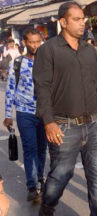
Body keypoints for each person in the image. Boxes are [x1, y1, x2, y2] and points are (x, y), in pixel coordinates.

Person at [33, 2, 97, 216]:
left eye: (84, 19)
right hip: (63, 125)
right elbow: (42, 89)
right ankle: (48, 205)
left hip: (93, 124)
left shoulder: (90, 51)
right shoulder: (48, 50)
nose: (83, 23)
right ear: (63, 22)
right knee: (61, 174)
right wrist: (48, 122)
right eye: (78, 19)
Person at [3, 28, 47, 202]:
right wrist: (8, 114)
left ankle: (40, 178)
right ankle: (31, 184)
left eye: (38, 42)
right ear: (24, 43)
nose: (35, 45)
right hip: (24, 112)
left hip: (45, 112)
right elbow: (10, 89)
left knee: (42, 148)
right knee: (30, 148)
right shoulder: (17, 63)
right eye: (31, 42)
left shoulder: (47, 62)